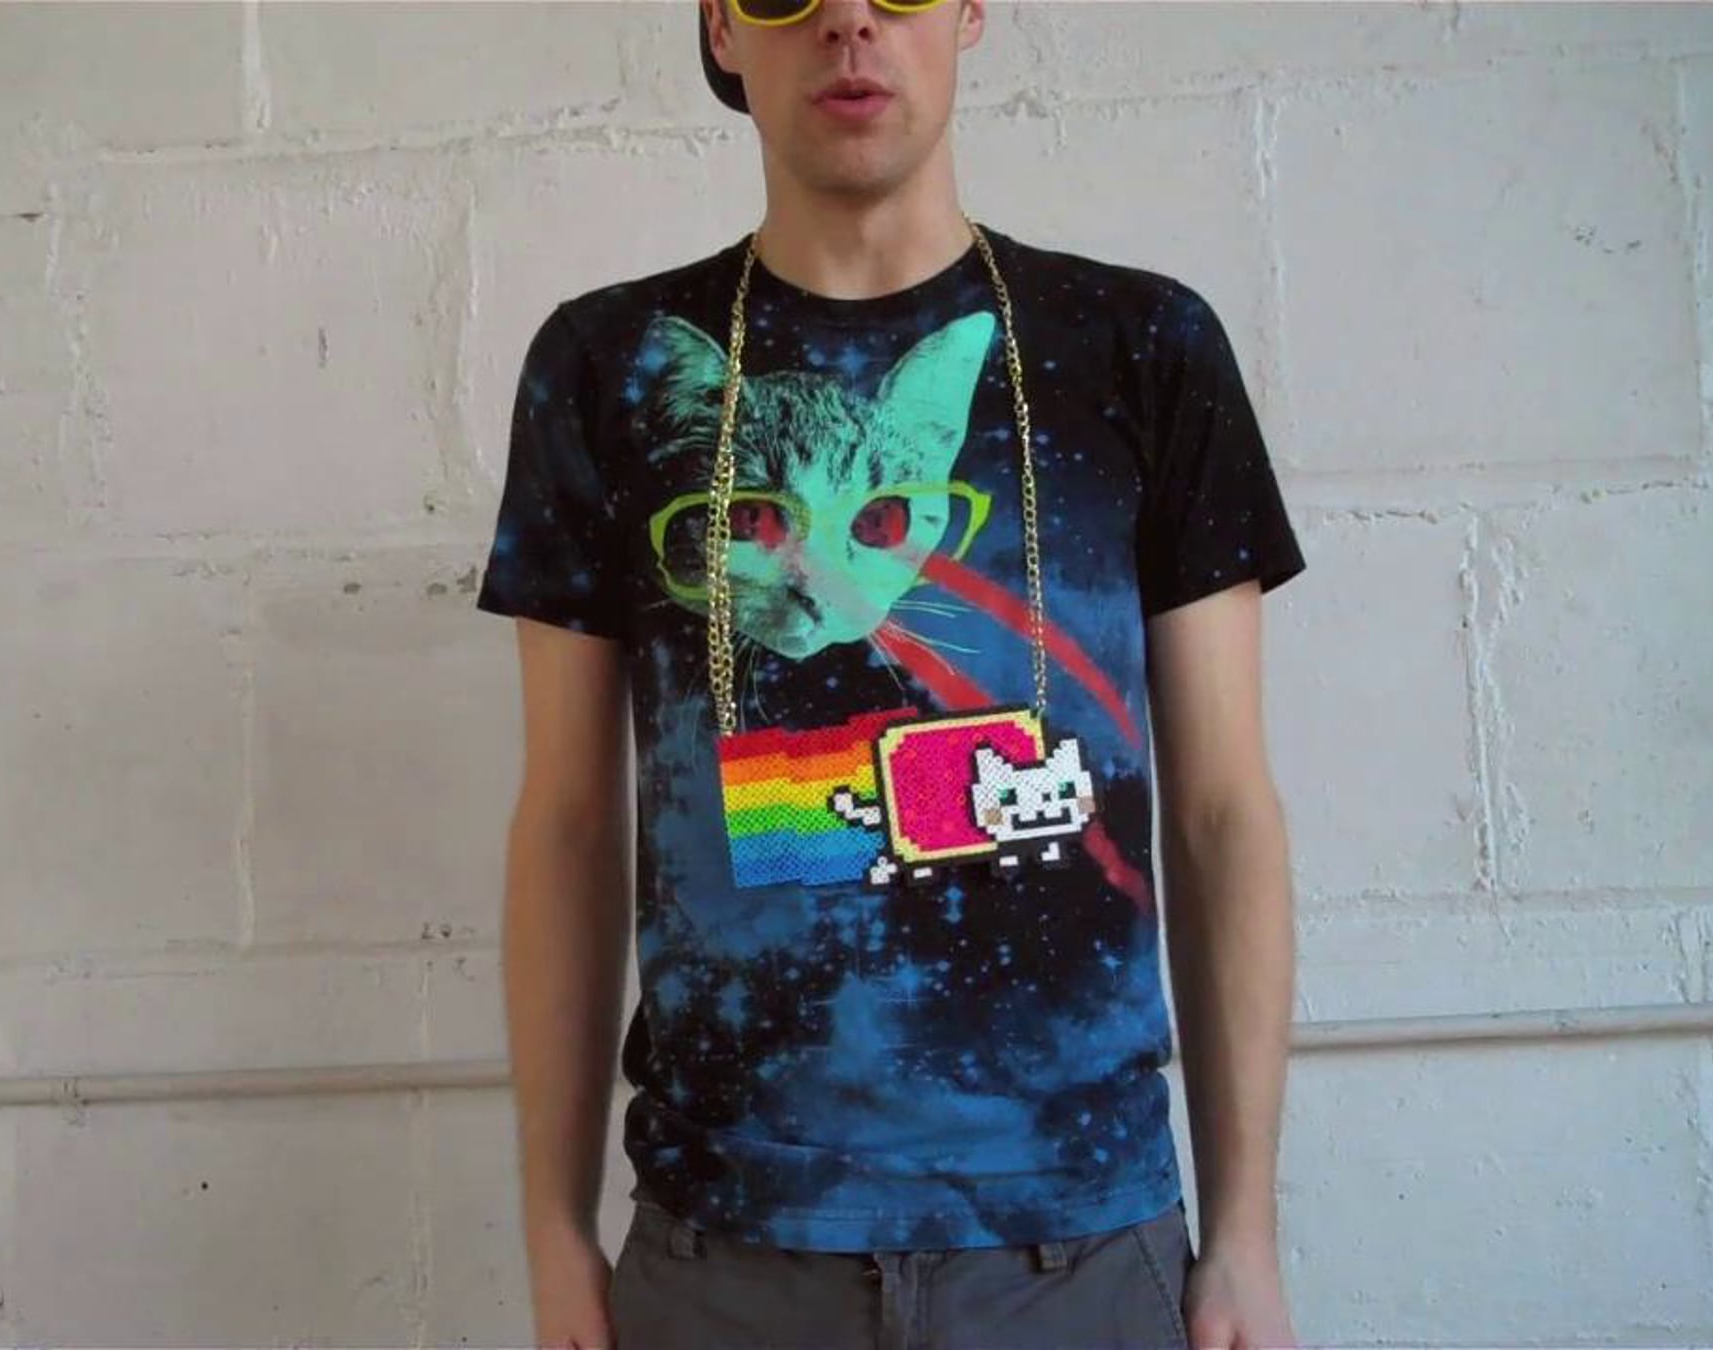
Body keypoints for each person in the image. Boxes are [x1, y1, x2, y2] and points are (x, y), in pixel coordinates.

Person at [475, 2, 1307, 1346]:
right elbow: (568, 822)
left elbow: (1223, 813)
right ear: (721, 27)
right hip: (727, 1253)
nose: (850, 20)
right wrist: (554, 1230)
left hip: (1081, 1247)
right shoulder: (607, 364)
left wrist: (1249, 1233)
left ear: (971, 12)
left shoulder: (1141, 345)